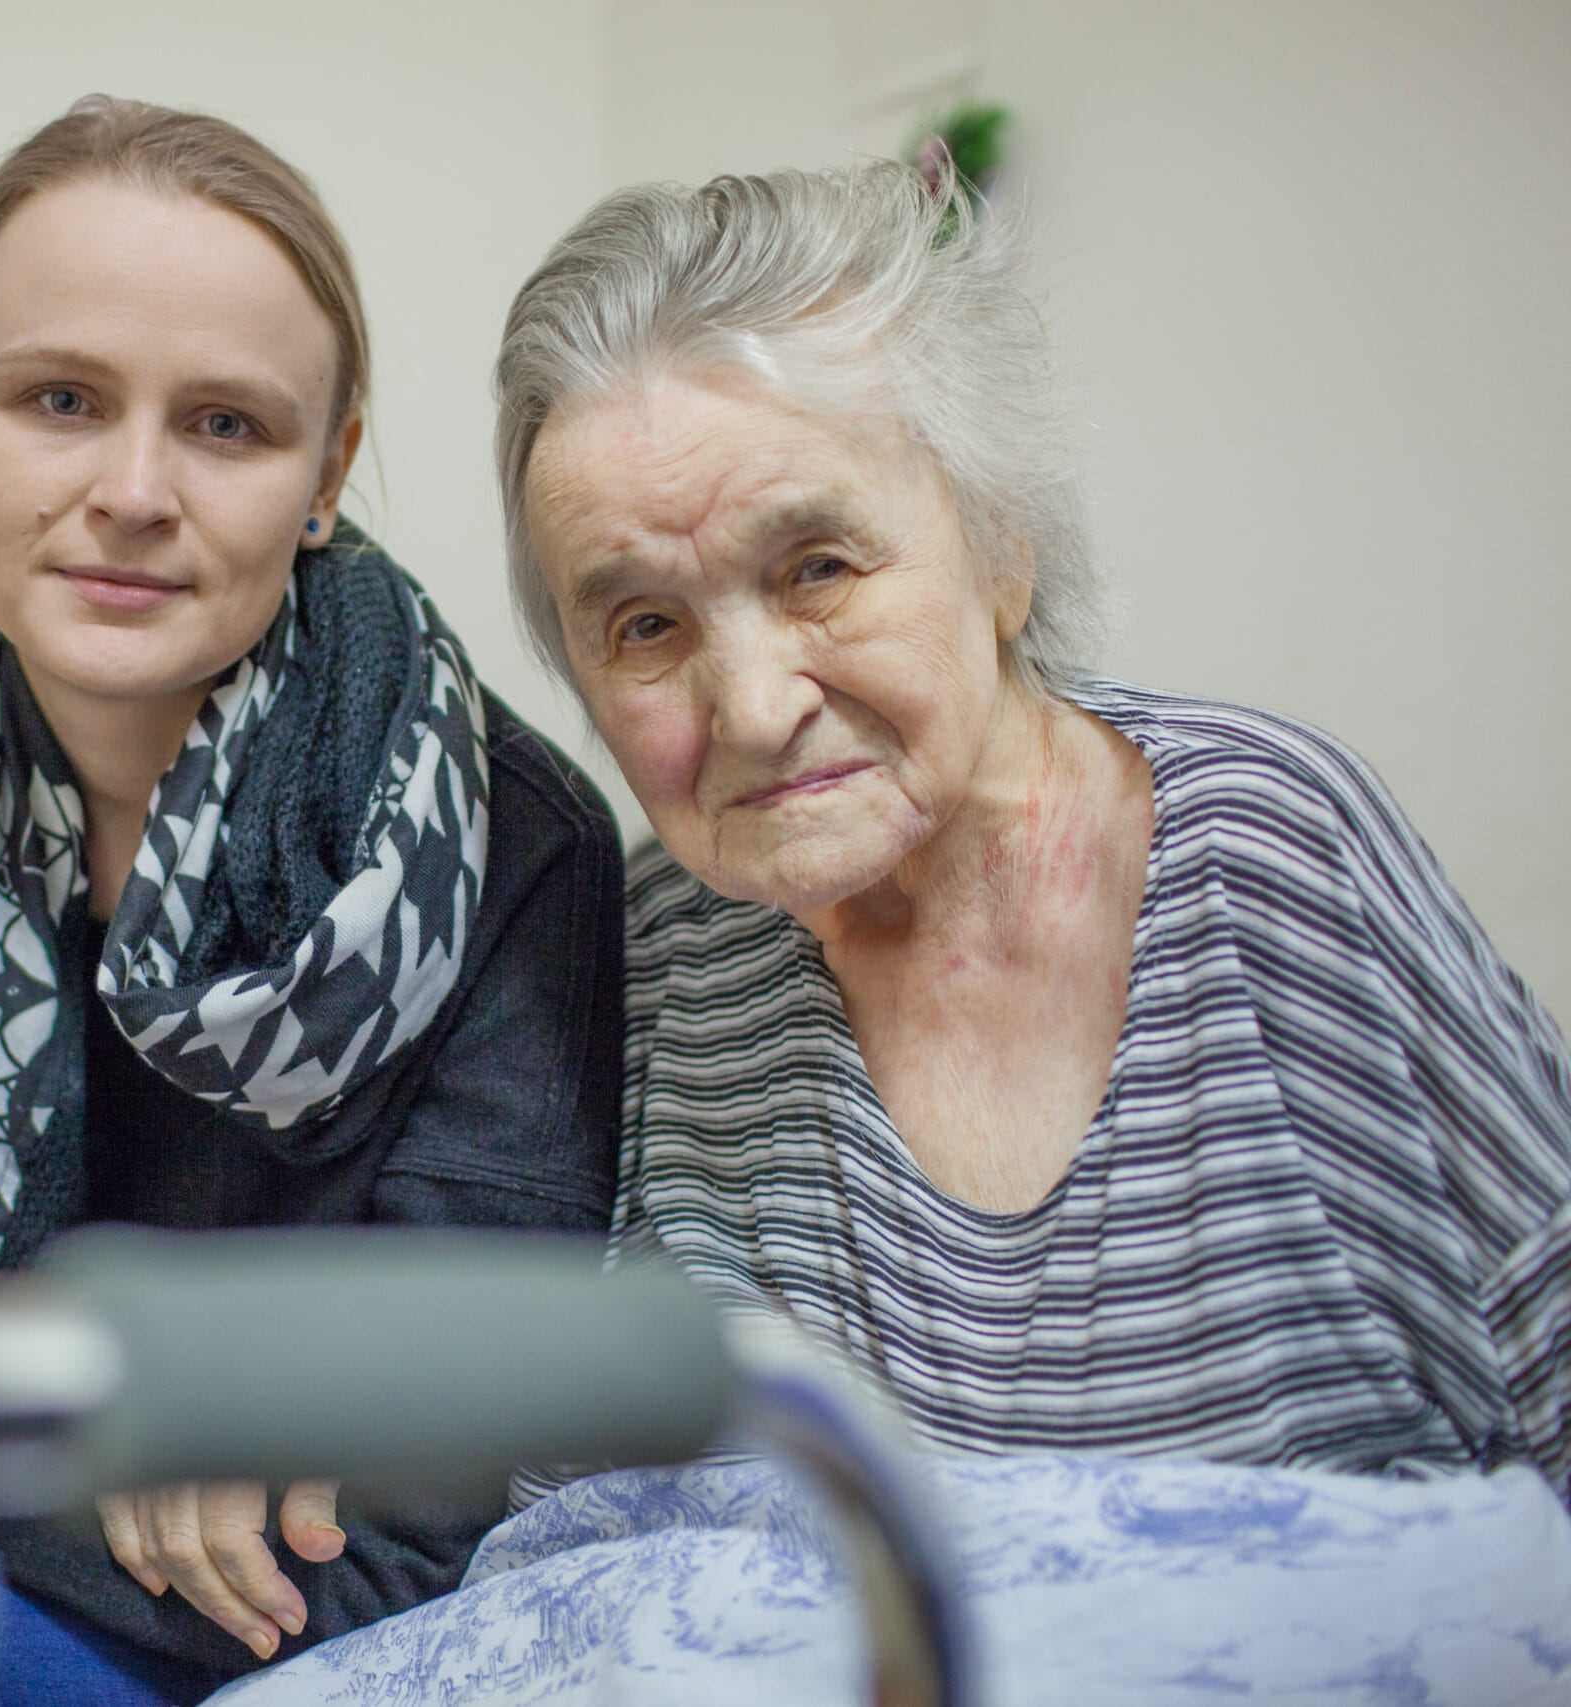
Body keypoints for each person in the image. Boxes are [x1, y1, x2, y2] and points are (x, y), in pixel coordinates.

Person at [221, 154, 1571, 1707]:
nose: (751, 704)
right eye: (644, 625)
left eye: (819, 568)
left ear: (1002, 550)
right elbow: (572, 1567)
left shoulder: (1273, 850)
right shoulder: (647, 947)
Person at [0, 96, 624, 1703]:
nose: (136, 489)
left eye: (228, 424)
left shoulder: (510, 847)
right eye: (62, 398)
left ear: (327, 469)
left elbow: (429, 1500)